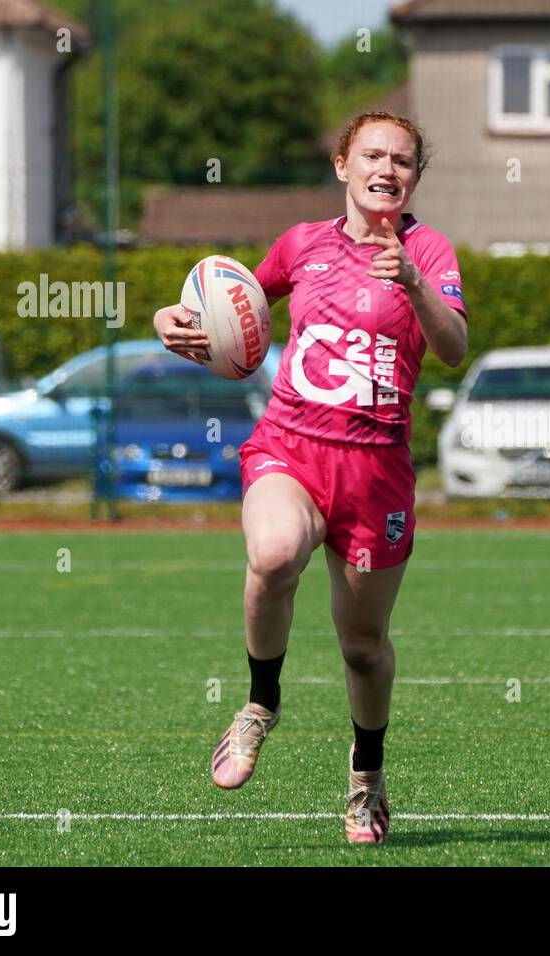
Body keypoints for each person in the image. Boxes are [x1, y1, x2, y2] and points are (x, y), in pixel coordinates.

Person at [153, 111, 468, 845]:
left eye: (403, 161)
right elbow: (230, 306)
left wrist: (417, 284)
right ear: (342, 165)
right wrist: (173, 319)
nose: (387, 169)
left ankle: (367, 780)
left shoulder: (430, 249)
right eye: (373, 155)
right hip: (290, 446)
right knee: (271, 555)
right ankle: (261, 704)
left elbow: (453, 348)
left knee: (362, 645)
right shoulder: (301, 243)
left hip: (377, 471)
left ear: (415, 177)